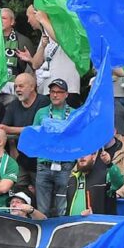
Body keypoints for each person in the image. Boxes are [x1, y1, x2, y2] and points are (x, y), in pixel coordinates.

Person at [30, 79, 76, 218]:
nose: (55, 95)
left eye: (59, 92)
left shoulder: (74, 114)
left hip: (65, 164)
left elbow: (77, 139)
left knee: (62, 207)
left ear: (66, 94)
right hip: (44, 163)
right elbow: (35, 135)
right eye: (52, 92)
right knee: (42, 207)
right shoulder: (41, 113)